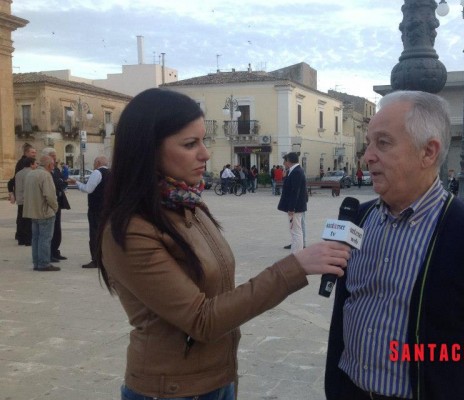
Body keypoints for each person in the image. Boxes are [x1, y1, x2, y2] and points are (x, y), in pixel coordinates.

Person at [97, 88, 351, 400]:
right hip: (170, 389)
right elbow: (202, 320)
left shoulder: (188, 206)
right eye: (190, 144)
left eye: (203, 140)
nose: (205, 154)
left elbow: (221, 294)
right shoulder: (132, 230)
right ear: (147, 150)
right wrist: (294, 267)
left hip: (217, 380)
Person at [325, 91, 464, 400]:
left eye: (383, 142)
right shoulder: (359, 220)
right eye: (369, 143)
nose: (368, 156)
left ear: (428, 152)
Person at [68, 156, 110, 269]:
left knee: (95, 233)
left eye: (94, 162)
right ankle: (106, 259)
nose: (93, 165)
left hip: (96, 208)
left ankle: (96, 259)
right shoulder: (110, 173)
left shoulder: (97, 172)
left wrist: (76, 183)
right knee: (104, 234)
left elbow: (88, 189)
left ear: (98, 163)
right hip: (107, 209)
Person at [23, 155, 60, 272]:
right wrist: (55, 208)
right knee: (45, 239)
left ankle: (37, 262)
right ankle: (43, 263)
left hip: (33, 211)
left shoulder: (30, 174)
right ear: (49, 165)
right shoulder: (45, 175)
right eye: (53, 164)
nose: (53, 167)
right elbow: (49, 195)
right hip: (44, 212)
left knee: (36, 239)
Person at [42, 147, 70, 262]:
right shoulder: (45, 172)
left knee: (57, 228)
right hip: (50, 204)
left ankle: (55, 251)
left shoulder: (56, 169)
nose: (55, 157)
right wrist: (61, 182)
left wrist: (62, 182)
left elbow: (63, 180)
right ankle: (49, 253)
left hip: (58, 202)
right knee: (50, 230)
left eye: (55, 155)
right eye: (52, 155)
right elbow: (57, 184)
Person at [278, 152, 308, 253]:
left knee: (296, 231)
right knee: (295, 230)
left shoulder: (296, 172)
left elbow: (295, 191)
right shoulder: (293, 171)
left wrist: (291, 208)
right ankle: (296, 252)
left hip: (296, 208)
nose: (284, 163)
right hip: (296, 206)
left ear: (289, 161)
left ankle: (297, 254)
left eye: (285, 161)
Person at [8, 143, 37, 240]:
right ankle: (23, 235)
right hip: (24, 195)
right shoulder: (24, 164)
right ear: (26, 152)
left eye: (35, 152)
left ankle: (20, 235)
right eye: (32, 152)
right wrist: (11, 192)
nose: (34, 154)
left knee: (21, 215)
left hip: (21, 195)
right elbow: (15, 179)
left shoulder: (23, 162)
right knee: (24, 216)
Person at [14, 157, 38, 246]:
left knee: (21, 219)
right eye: (36, 163)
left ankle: (21, 239)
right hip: (28, 200)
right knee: (28, 221)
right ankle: (28, 240)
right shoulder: (31, 173)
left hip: (20, 199)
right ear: (31, 164)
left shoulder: (19, 173)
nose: (36, 165)